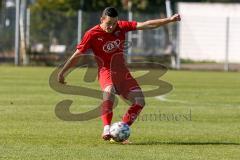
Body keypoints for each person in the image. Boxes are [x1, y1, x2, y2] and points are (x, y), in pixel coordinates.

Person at [58, 7, 181, 141]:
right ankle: (106, 128)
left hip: (123, 72)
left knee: (140, 102)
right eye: (108, 23)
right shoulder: (92, 34)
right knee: (109, 91)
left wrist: (169, 20)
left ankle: (120, 130)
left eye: (114, 23)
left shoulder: (121, 26)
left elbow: (147, 24)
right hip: (106, 71)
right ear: (102, 19)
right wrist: (63, 72)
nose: (111, 26)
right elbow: (77, 55)